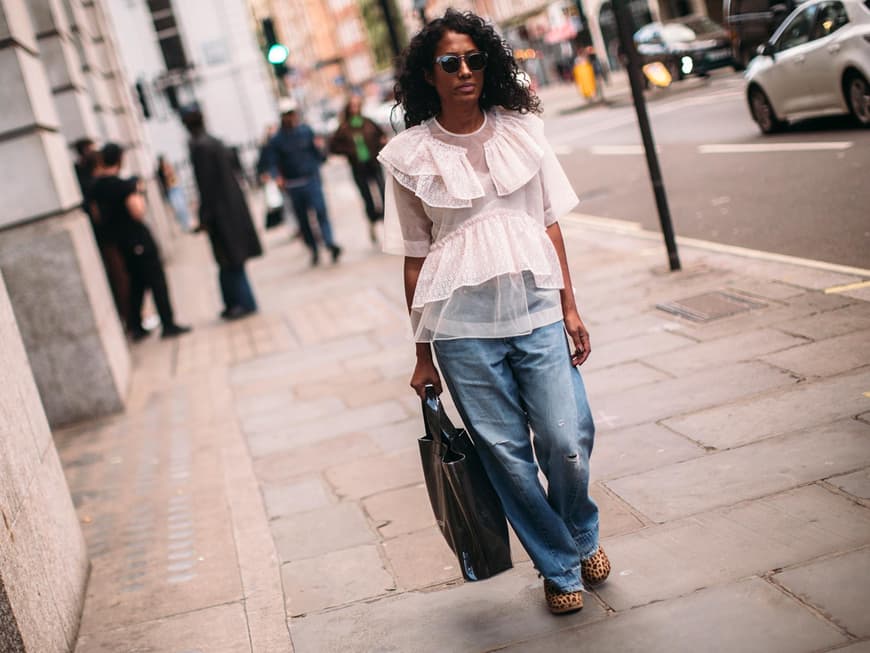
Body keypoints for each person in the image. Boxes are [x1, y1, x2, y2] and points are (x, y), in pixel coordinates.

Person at [379, 9, 609, 615]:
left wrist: (571, 306)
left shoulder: (523, 131)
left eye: (474, 60)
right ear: (428, 74)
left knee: (566, 439)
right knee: (506, 455)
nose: (464, 72)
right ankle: (561, 566)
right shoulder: (410, 156)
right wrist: (422, 353)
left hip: (535, 307)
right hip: (461, 331)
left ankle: (580, 532)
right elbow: (414, 260)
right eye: (450, 62)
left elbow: (549, 223)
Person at [89, 143, 190, 340]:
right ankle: (167, 323)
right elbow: (138, 212)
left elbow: (97, 216)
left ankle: (135, 325)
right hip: (137, 239)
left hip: (120, 244)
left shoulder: (96, 187)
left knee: (136, 283)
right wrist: (138, 193)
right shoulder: (124, 186)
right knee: (155, 282)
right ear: (119, 159)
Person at [182, 110, 262, 320]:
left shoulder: (201, 147)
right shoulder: (214, 143)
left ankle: (244, 302)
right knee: (230, 260)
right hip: (229, 208)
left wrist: (204, 216)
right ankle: (234, 302)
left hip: (222, 212)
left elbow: (206, 186)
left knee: (231, 259)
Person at [266, 99, 342, 266]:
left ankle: (329, 243)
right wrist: (277, 177)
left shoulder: (306, 131)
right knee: (304, 220)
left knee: (321, 212)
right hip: (294, 185)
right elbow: (271, 162)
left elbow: (319, 155)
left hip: (311, 180)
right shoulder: (277, 140)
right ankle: (313, 248)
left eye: (292, 113)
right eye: (287, 115)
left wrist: (322, 151)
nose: (291, 117)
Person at [330, 95, 387, 243]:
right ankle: (372, 222)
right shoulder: (344, 128)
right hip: (358, 166)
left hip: (373, 163)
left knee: (383, 191)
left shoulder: (368, 123)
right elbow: (333, 146)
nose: (355, 108)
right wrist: (348, 152)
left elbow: (382, 136)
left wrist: (380, 146)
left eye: (357, 105)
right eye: (352, 106)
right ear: (348, 109)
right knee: (367, 197)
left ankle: (387, 221)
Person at [156, 155, 193, 232]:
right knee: (177, 207)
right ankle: (184, 224)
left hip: (176, 187)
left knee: (182, 206)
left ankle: (187, 223)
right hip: (170, 190)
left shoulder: (169, 167)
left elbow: (174, 176)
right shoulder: (160, 172)